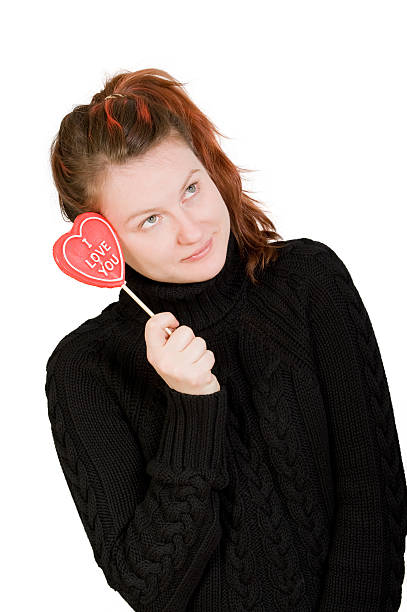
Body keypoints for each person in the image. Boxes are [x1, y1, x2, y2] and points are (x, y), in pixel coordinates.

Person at [45, 68, 407, 611]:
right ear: (102, 240)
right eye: (150, 220)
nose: (191, 229)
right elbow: (151, 589)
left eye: (191, 189)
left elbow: (373, 498)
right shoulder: (85, 369)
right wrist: (192, 407)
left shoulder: (310, 283)